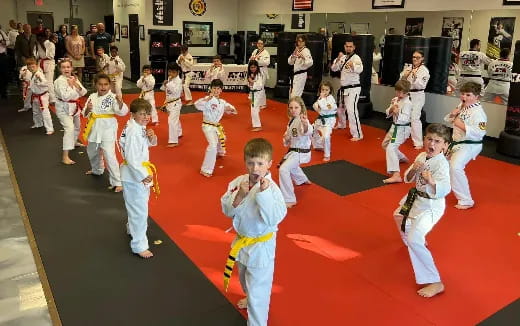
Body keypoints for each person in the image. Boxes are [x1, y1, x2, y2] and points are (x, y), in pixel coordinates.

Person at [221, 138, 287, 326]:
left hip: (261, 246)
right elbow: (226, 210)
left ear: (269, 164)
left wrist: (264, 194)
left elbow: (274, 218)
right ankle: (250, 298)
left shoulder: (272, 190)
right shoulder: (238, 182)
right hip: (242, 242)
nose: (255, 168)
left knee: (259, 291)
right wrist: (240, 195)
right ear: (245, 162)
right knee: (243, 279)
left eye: (260, 163)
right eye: (251, 163)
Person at [393, 123, 451, 298]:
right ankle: (413, 243)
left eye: (437, 141)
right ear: (424, 139)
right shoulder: (422, 155)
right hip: (416, 198)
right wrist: (415, 170)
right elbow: (408, 178)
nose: (432, 144)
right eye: (429, 139)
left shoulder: (442, 164)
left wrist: (432, 182)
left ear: (445, 145)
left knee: (414, 238)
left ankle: (435, 281)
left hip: (431, 205)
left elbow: (445, 188)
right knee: (397, 216)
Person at [119, 98, 158, 259]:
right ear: (133, 114)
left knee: (135, 207)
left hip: (133, 172)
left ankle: (131, 228)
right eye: (142, 114)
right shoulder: (134, 130)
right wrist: (143, 175)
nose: (146, 117)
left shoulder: (136, 126)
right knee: (140, 211)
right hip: (134, 174)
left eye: (148, 113)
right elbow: (131, 156)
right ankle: (139, 245)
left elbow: (146, 146)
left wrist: (151, 137)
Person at [444, 82, 487, 210]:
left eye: (468, 95)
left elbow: (480, 133)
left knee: (455, 166)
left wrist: (460, 124)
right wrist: (453, 114)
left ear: (477, 97)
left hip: (470, 144)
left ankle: (466, 200)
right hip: (457, 142)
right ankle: (438, 188)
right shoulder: (463, 106)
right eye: (463, 94)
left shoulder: (478, 113)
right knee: (440, 162)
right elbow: (450, 119)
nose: (464, 97)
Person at [83, 73, 129, 192]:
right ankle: (97, 169)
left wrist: (120, 103)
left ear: (109, 85)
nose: (103, 87)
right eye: (100, 84)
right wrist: (88, 108)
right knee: (92, 151)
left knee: (109, 154)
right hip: (94, 127)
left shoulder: (112, 97)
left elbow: (123, 112)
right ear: (95, 85)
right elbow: (85, 113)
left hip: (108, 128)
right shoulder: (92, 96)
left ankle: (117, 181)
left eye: (106, 84)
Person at [194, 79, 237, 178]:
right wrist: (207, 99)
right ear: (211, 89)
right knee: (212, 144)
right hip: (207, 125)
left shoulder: (222, 102)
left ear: (221, 90)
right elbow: (196, 105)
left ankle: (220, 152)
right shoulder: (207, 99)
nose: (216, 90)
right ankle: (206, 169)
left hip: (216, 125)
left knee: (222, 138)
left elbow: (232, 109)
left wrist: (231, 109)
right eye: (214, 88)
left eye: (218, 89)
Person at [279, 96, 313, 208]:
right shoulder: (291, 122)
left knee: (283, 169)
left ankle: (289, 199)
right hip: (294, 151)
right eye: (291, 107)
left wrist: (305, 124)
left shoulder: (303, 120)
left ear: (301, 108)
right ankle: (302, 179)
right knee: (290, 164)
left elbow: (307, 131)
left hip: (301, 151)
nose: (293, 110)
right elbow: (289, 138)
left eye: (296, 107)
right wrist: (286, 138)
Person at [54, 58, 87, 164]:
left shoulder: (74, 78)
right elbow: (65, 97)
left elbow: (84, 92)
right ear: (60, 69)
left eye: (68, 67)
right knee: (70, 128)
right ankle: (65, 156)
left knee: (77, 126)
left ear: (72, 68)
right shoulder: (59, 81)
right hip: (63, 108)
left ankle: (74, 141)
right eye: (63, 67)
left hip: (74, 107)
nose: (66, 69)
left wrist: (76, 84)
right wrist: (72, 86)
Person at [331, 37, 364, 141]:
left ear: (354, 47)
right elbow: (334, 68)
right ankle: (341, 124)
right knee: (340, 108)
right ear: (344, 47)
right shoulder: (343, 57)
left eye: (350, 46)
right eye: (347, 46)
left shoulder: (356, 58)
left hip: (353, 88)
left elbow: (360, 69)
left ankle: (358, 134)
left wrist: (353, 65)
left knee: (351, 111)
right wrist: (337, 59)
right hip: (344, 88)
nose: (348, 48)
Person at [382, 80, 413, 184]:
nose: (400, 95)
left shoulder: (408, 103)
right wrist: (391, 109)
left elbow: (405, 118)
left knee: (391, 148)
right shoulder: (395, 99)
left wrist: (397, 113)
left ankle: (396, 174)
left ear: (407, 92)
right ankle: (402, 157)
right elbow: (387, 112)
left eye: (403, 93)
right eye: (398, 92)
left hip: (401, 129)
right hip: (394, 127)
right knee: (385, 145)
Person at [400, 50, 430, 149]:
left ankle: (418, 142)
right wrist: (405, 75)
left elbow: (421, 84)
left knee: (414, 118)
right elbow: (401, 80)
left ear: (422, 58)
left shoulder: (424, 70)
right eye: (414, 57)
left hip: (418, 94)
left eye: (417, 57)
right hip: (407, 94)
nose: (415, 59)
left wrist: (414, 75)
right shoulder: (409, 67)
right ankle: (403, 136)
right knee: (404, 116)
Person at [311, 81, 337, 161]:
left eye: (326, 90)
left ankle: (327, 154)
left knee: (326, 136)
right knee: (310, 131)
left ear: (330, 91)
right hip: (320, 119)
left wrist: (321, 103)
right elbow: (314, 106)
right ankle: (319, 145)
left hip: (329, 120)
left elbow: (326, 108)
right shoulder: (320, 98)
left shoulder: (331, 99)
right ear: (320, 90)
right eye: (323, 90)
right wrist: (320, 104)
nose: (324, 92)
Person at [26, 57, 54, 134]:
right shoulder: (32, 74)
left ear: (37, 66)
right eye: (29, 67)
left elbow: (45, 83)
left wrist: (40, 81)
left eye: (33, 66)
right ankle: (38, 123)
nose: (31, 68)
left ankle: (50, 129)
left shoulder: (39, 74)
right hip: (35, 95)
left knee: (45, 112)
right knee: (35, 111)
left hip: (42, 96)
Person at [160, 63, 183, 147]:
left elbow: (176, 91)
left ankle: (174, 141)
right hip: (169, 102)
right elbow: (165, 90)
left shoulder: (179, 81)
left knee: (172, 121)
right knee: (175, 118)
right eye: (169, 72)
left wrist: (168, 84)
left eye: (173, 72)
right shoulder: (170, 78)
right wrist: (164, 84)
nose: (171, 74)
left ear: (178, 72)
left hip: (175, 103)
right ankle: (179, 132)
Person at [35, 32, 56, 103]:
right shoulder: (37, 44)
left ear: (44, 38)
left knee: (49, 82)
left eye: (40, 38)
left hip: (49, 63)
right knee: (39, 80)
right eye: (38, 38)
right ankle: (42, 97)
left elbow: (51, 55)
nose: (38, 39)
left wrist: (42, 46)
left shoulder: (50, 44)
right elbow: (36, 55)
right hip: (40, 63)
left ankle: (52, 99)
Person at [249, 39, 270, 108]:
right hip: (254, 70)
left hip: (262, 71)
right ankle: (254, 102)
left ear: (264, 45)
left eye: (261, 43)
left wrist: (258, 59)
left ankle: (263, 103)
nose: (259, 45)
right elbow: (250, 60)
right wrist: (251, 59)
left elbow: (267, 62)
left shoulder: (266, 53)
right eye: (258, 43)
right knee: (254, 86)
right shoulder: (255, 51)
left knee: (261, 87)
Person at [247, 60, 264, 132]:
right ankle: (256, 122)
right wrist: (250, 83)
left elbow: (259, 85)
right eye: (251, 67)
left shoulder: (259, 74)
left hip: (258, 93)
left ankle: (258, 125)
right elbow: (249, 85)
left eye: (254, 67)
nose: (253, 69)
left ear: (257, 67)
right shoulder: (250, 74)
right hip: (253, 93)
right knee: (255, 108)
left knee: (253, 109)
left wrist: (252, 82)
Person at [0, 25, 9, 99]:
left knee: (4, 74)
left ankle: (4, 91)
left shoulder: (2, 33)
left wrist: (4, 42)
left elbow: (8, 42)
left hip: (2, 56)